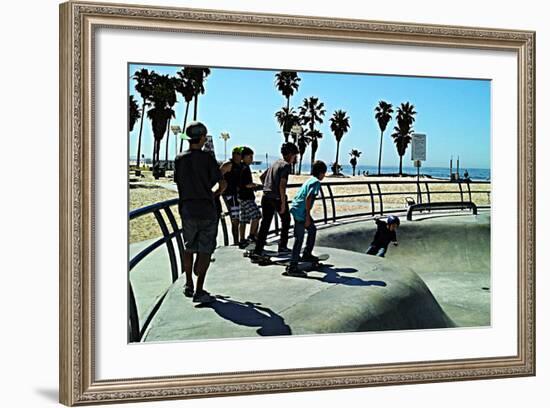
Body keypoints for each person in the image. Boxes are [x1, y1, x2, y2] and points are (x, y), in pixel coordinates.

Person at [174, 121, 226, 303]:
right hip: (207, 210)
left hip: (187, 209)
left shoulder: (179, 159)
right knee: (205, 251)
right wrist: (213, 195)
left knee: (188, 247)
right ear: (202, 138)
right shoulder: (208, 159)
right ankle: (199, 290)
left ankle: (188, 282)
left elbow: (178, 182)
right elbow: (222, 184)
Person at [252, 142, 299, 260]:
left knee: (265, 224)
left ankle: (258, 249)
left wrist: (268, 186)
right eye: (294, 156)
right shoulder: (286, 166)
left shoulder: (275, 163)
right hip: (277, 198)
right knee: (286, 220)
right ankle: (282, 246)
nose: (295, 158)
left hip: (266, 196)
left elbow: (262, 176)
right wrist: (283, 203)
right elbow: (282, 186)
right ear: (289, 154)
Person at [286, 160, 327, 277]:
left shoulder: (310, 180)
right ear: (320, 173)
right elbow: (309, 198)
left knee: (312, 230)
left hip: (296, 208)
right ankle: (293, 266)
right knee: (299, 238)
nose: (324, 176)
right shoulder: (316, 183)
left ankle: (306, 254)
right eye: (324, 173)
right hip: (301, 212)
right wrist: (307, 216)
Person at [238, 146, 262, 248]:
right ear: (244, 157)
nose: (252, 159)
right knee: (256, 215)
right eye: (250, 157)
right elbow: (246, 184)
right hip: (246, 197)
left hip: (241, 196)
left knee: (243, 219)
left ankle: (242, 240)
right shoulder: (245, 168)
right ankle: (251, 236)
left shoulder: (240, 167)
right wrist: (256, 185)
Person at [221, 146, 243, 245]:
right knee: (235, 219)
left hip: (237, 195)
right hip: (230, 194)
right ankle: (236, 241)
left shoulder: (241, 166)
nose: (239, 157)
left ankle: (238, 240)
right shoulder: (229, 164)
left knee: (237, 218)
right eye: (238, 154)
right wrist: (222, 187)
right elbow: (218, 175)